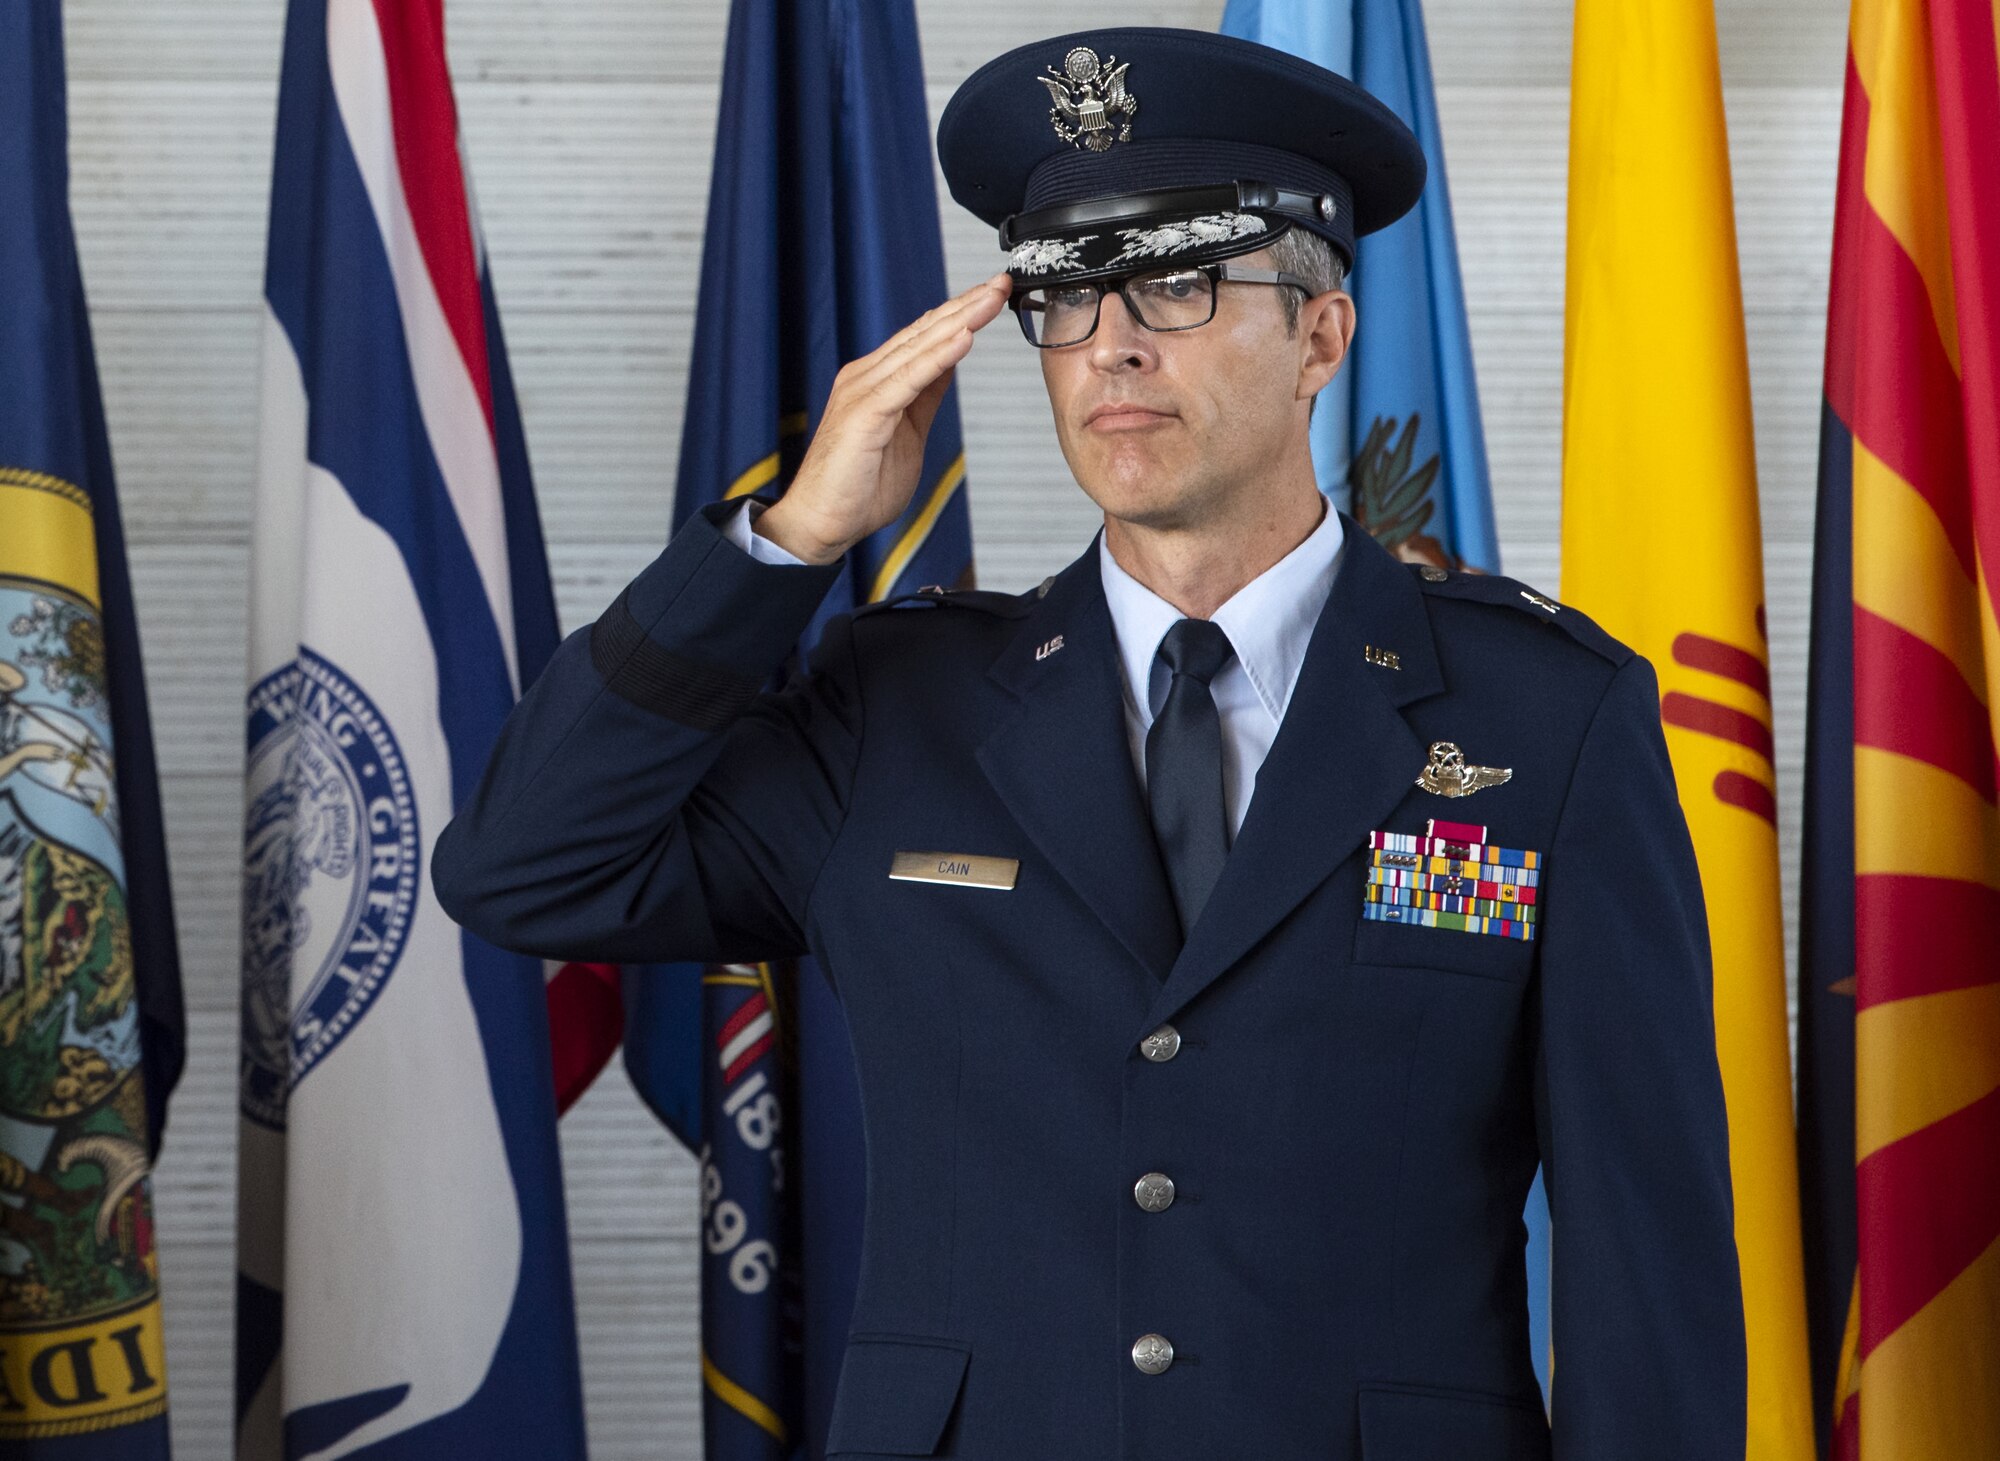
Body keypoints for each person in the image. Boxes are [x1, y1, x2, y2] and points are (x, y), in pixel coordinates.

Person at [433, 26, 1745, 1460]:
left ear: (1322, 333)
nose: (1111, 344)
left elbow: (1648, 1280)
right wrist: (782, 544)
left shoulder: (1542, 717)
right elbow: (522, 866)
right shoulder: (899, 708)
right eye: (1064, 298)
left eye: (1179, 285)